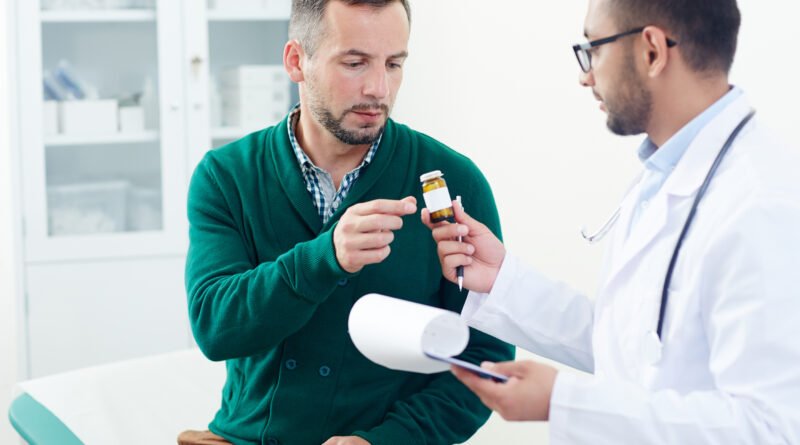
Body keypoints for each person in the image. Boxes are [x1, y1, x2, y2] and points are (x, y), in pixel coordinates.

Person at [423, 0, 800, 442]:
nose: (585, 76)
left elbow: (771, 428)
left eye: (594, 49)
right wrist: (502, 280)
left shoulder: (761, 203)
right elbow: (637, 348)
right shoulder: (666, 173)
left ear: (652, 51)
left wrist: (564, 402)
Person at [181, 0, 513, 444]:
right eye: (355, 63)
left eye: (394, 64)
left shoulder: (452, 181)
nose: (379, 88)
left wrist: (387, 440)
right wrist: (326, 257)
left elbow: (485, 360)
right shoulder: (226, 176)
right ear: (296, 61)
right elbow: (214, 328)